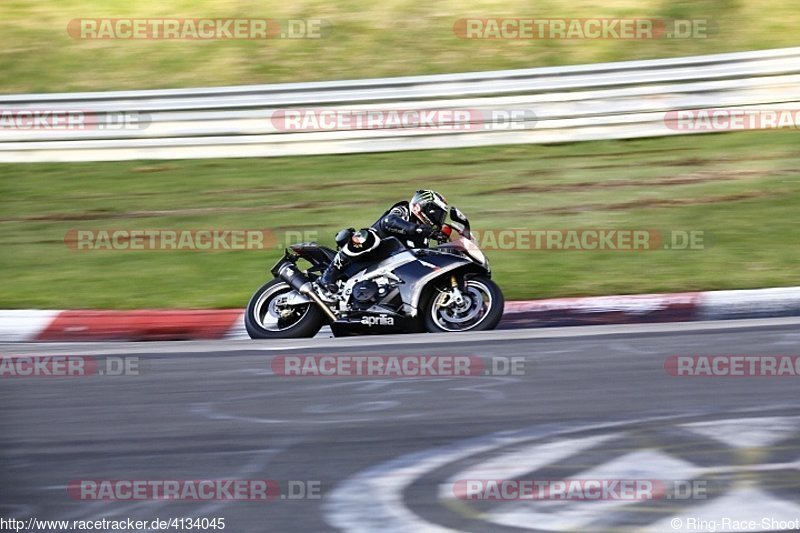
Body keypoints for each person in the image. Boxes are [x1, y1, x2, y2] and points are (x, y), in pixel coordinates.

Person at [316, 190, 452, 296]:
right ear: (420, 206)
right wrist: (418, 229)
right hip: (369, 255)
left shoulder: (423, 238)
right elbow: (390, 221)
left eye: (440, 216)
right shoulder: (403, 210)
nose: (437, 220)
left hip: (388, 270)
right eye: (435, 213)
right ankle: (329, 275)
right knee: (367, 237)